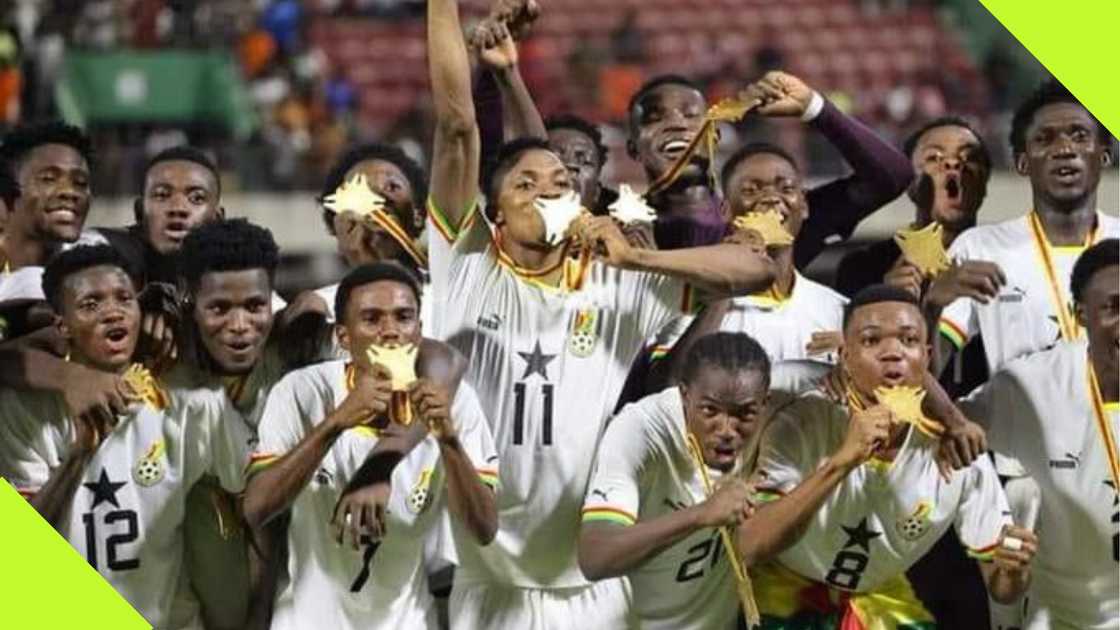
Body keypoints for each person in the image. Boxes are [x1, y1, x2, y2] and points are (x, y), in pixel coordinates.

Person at [423, 0, 775, 626]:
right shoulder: (466, 267)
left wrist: (642, 265)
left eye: (559, 181)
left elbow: (757, 268)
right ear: (493, 214)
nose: (548, 191)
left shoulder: (619, 284)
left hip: (591, 586)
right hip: (485, 580)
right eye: (525, 185)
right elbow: (456, 125)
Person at [926, 80, 1118, 626]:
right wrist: (932, 303)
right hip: (1026, 480)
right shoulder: (980, 248)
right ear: (1023, 161)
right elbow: (932, 365)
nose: (1064, 148)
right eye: (1046, 138)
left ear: (1102, 154)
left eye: (1080, 135)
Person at [739, 285, 1036, 628]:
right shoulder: (803, 420)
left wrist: (1014, 570)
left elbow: (1003, 590)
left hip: (876, 597)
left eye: (908, 341)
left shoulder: (958, 454)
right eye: (871, 341)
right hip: (782, 589)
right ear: (844, 357)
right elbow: (749, 545)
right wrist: (843, 461)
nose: (892, 353)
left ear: (926, 358)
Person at [241, 263, 499, 629]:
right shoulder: (301, 392)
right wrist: (338, 420)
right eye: (372, 319)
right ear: (344, 338)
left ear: (420, 331)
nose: (390, 331)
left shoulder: (454, 404)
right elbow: (256, 509)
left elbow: (484, 530)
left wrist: (448, 440)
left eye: (403, 317)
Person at [0, 245, 234, 630]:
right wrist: (79, 454)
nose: (112, 311)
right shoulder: (22, 409)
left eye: (124, 298)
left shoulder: (189, 400)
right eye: (91, 303)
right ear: (61, 325)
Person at [834, 116, 995, 625]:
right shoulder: (865, 268)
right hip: (900, 480)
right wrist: (911, 306)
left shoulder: (1008, 260)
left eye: (969, 160)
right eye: (935, 157)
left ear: (986, 182)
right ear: (909, 181)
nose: (953, 165)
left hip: (985, 471)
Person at [958, 239, 1119, 630]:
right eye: (1114, 308)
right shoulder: (1032, 384)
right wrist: (928, 309)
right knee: (1020, 493)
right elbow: (943, 427)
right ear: (1080, 314)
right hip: (1064, 614)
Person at [578, 332, 765, 630]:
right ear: (684, 396)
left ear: (764, 403)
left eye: (743, 414)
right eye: (710, 411)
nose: (727, 429)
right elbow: (595, 556)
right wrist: (701, 514)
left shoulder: (773, 407)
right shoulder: (641, 430)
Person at [626, 71, 912, 256]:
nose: (677, 123)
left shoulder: (775, 222)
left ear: (715, 136)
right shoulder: (616, 232)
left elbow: (892, 178)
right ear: (633, 147)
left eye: (691, 115)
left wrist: (816, 110)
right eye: (654, 118)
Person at [642, 142, 850, 397]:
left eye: (786, 188)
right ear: (725, 210)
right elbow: (664, 393)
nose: (772, 198)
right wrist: (724, 292)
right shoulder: (683, 303)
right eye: (751, 190)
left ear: (804, 205)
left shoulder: (839, 310)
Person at [313, 142, 431, 323]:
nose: (376, 197)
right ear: (336, 224)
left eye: (391, 186)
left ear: (418, 215)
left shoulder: (450, 298)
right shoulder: (318, 318)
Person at [0, 121, 93, 302]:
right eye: (49, 179)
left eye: (80, 183)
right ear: (6, 197)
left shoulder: (98, 273)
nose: (69, 192)